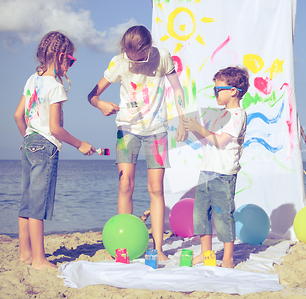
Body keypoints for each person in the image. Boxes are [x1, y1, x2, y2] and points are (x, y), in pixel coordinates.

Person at [87, 25, 187, 261]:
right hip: (127, 129)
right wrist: (99, 104)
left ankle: (158, 248)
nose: (137, 63)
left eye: (141, 58)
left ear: (149, 47)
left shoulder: (162, 56)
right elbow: (92, 94)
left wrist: (183, 120)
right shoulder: (118, 62)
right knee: (125, 186)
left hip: (158, 130)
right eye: (132, 59)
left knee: (156, 189)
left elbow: (177, 88)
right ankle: (123, 246)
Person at [14, 31, 96, 270]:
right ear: (61, 57)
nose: (70, 66)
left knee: (26, 203)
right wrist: (80, 143)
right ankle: (39, 260)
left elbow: (18, 116)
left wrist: (30, 138)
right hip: (45, 146)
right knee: (37, 206)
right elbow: (55, 128)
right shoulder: (56, 87)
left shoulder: (32, 80)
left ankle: (25, 254)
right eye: (70, 61)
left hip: (28, 143)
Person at [183, 66, 250, 268]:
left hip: (223, 173)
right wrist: (194, 129)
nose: (215, 93)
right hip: (207, 170)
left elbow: (221, 141)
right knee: (201, 213)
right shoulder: (220, 115)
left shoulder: (238, 115)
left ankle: (228, 257)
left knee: (222, 215)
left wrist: (198, 128)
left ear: (233, 91)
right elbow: (208, 141)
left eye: (218, 89)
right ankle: (206, 252)